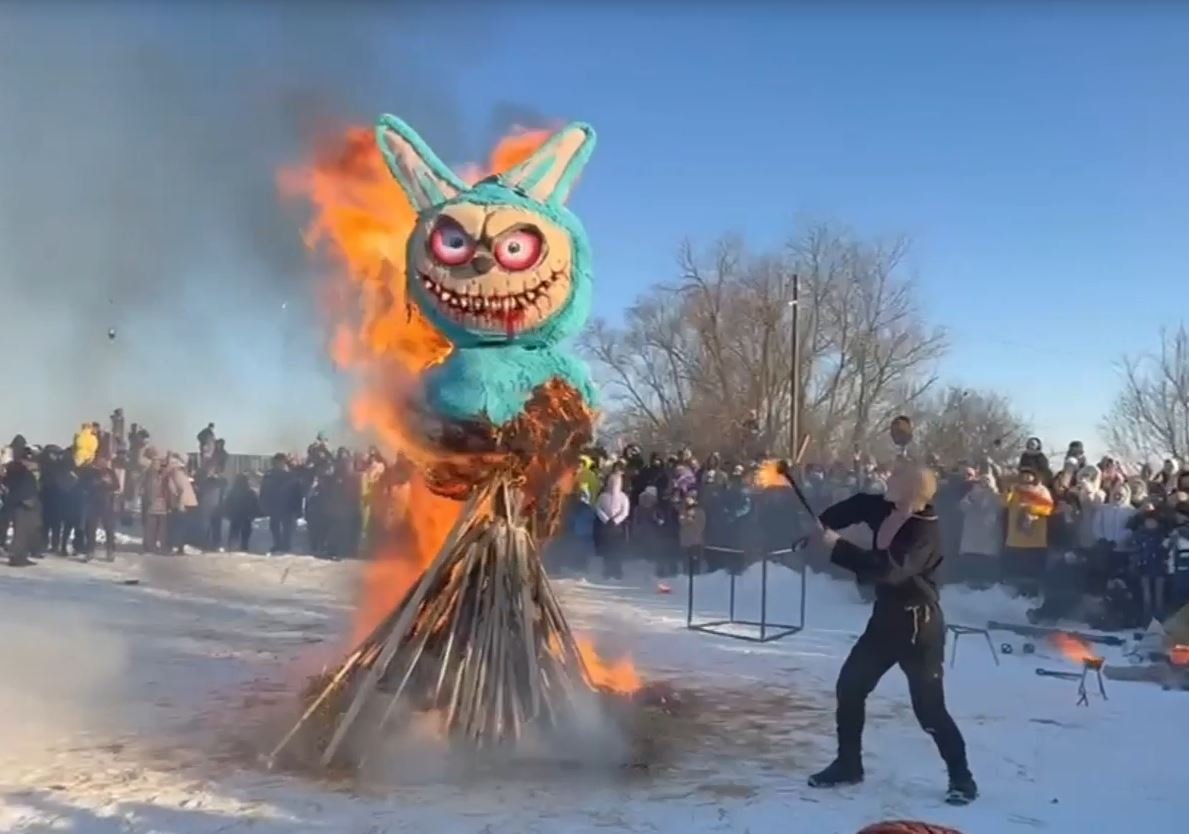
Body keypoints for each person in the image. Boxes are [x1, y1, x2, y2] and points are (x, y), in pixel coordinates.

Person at [809, 459, 977, 806]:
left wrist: (838, 547)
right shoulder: (888, 507)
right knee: (851, 686)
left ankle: (963, 780)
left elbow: (888, 571)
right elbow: (858, 504)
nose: (889, 477)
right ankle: (848, 765)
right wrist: (822, 522)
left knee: (929, 710)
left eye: (897, 476)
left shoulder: (924, 531)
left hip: (919, 627)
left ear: (913, 490)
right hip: (885, 620)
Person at [260, 453, 302, 555]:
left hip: (288, 505)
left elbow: (297, 492)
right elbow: (264, 490)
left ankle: (286, 544)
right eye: (276, 462)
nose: (277, 464)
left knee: (288, 526)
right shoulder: (269, 475)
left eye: (280, 462)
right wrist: (263, 503)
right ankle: (278, 544)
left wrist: (298, 507)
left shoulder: (290, 476)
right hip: (275, 504)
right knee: (275, 526)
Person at [593, 470, 630, 579]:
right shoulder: (603, 496)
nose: (614, 485)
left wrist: (616, 520)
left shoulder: (623, 497)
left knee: (617, 548)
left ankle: (617, 569)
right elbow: (598, 508)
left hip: (618, 527)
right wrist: (606, 519)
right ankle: (607, 569)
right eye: (612, 482)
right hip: (606, 526)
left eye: (616, 483)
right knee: (607, 549)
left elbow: (625, 511)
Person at [224, 474, 261, 552]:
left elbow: (227, 504)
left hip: (236, 517)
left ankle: (232, 548)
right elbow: (255, 505)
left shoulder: (233, 492)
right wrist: (253, 515)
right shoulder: (250, 492)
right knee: (245, 534)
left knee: (234, 533)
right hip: (246, 517)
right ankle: (243, 548)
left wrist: (228, 514)